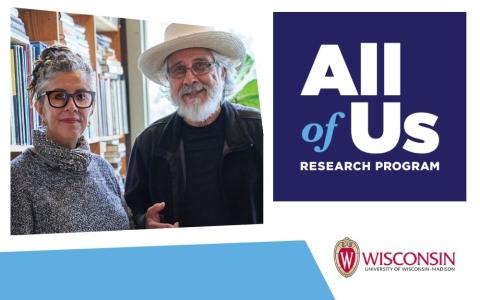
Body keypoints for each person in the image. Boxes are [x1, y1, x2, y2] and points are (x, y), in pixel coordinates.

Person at [125, 23, 263, 229]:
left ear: (222, 72)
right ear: (168, 80)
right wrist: (144, 221)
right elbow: (131, 211)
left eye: (201, 65)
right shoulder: (148, 143)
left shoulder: (262, 130)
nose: (190, 79)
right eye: (178, 70)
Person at [11, 45, 130, 234]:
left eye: (81, 96)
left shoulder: (104, 168)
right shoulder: (16, 177)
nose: (72, 106)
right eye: (59, 96)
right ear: (40, 108)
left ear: (91, 107)